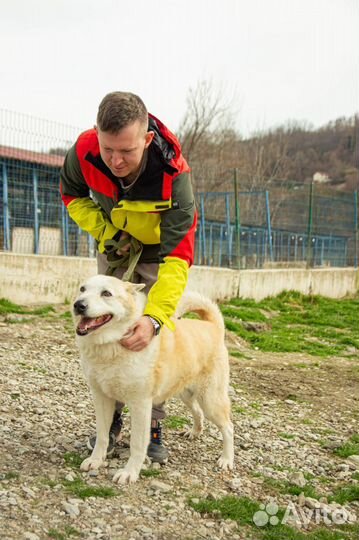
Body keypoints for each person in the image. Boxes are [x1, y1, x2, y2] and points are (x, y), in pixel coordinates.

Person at [60, 91, 197, 463]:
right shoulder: (85, 150)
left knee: (148, 339)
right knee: (105, 326)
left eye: (127, 151)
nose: (116, 161)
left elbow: (178, 260)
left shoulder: (174, 178)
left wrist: (154, 318)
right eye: (109, 150)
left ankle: (151, 421)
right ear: (96, 134)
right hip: (115, 241)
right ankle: (111, 423)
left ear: (147, 140)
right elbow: (71, 195)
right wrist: (107, 234)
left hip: (158, 251)